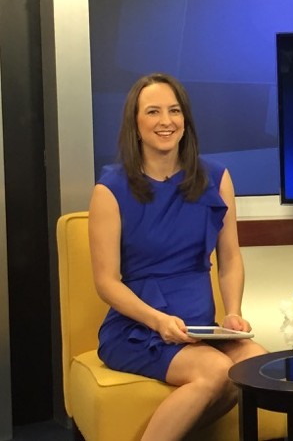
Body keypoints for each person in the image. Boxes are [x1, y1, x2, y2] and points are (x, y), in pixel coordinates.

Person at [88, 73, 266, 441]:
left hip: (199, 328)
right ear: (135, 124)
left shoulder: (216, 178)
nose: (165, 121)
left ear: (185, 120)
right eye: (152, 112)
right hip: (138, 330)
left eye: (174, 111)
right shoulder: (110, 189)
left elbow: (230, 259)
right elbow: (106, 282)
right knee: (216, 372)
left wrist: (232, 311)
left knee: (256, 366)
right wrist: (157, 321)